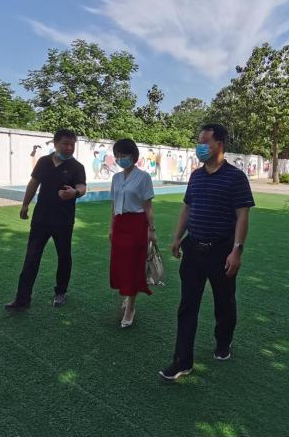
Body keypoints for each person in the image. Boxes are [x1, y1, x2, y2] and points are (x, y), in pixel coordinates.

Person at [160, 124, 255, 382]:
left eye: (204, 142)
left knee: (224, 303)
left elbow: (242, 216)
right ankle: (182, 361)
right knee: (187, 306)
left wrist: (236, 251)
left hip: (221, 251)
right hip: (193, 250)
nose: (199, 147)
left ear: (219, 144)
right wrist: (177, 238)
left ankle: (223, 341)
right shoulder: (196, 176)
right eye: (198, 142)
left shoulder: (236, 177)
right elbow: (188, 209)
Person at [5, 129, 87, 310]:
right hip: (41, 219)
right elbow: (33, 183)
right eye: (65, 144)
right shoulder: (43, 162)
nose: (69, 148)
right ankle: (22, 299)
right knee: (31, 258)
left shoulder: (77, 167)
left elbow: (82, 187)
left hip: (64, 221)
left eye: (72, 144)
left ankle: (60, 292)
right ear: (56, 143)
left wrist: (75, 192)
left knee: (64, 257)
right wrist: (25, 204)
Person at [108, 139, 156, 328]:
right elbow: (113, 205)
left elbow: (148, 206)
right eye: (117, 155)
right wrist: (111, 227)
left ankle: (131, 307)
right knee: (120, 265)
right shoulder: (116, 178)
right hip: (120, 224)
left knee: (133, 266)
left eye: (124, 155)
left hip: (136, 225)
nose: (120, 158)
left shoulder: (144, 177)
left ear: (133, 156)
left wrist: (151, 229)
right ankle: (128, 296)